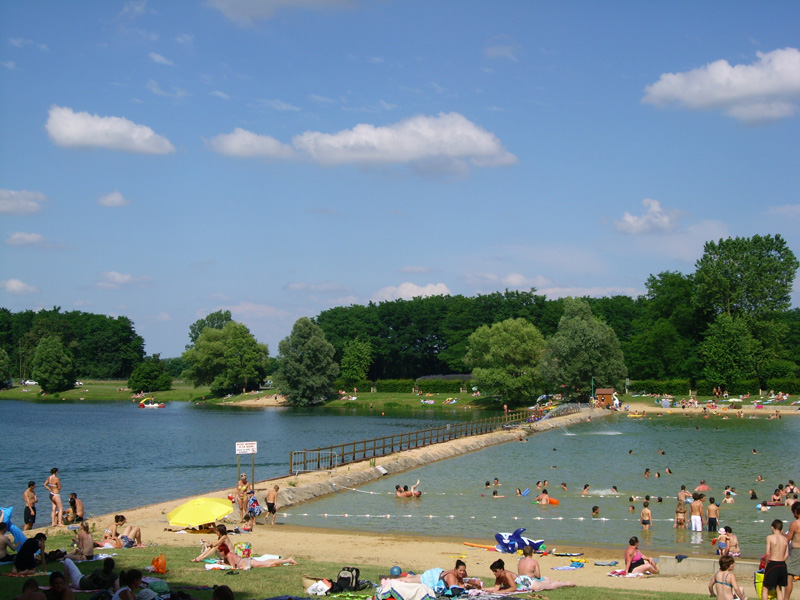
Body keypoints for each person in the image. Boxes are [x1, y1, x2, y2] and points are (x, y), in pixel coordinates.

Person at [784, 502, 800, 600]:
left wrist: (781, 535)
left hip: (797, 552)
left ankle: (786, 598)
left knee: (789, 575)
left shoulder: (795, 524)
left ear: (795, 512)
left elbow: (788, 539)